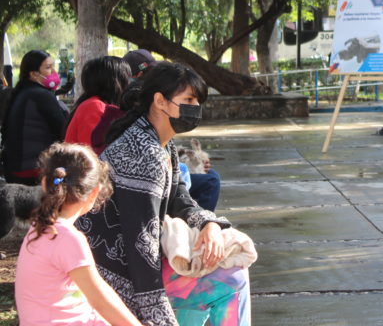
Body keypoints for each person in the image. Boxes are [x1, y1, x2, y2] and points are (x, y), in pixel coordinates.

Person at [77, 62, 250, 325]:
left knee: (223, 268)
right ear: (159, 101)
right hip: (110, 275)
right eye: (188, 99)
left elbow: (180, 195)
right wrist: (158, 317)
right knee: (231, 278)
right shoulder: (144, 152)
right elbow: (141, 245)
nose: (196, 107)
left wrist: (208, 223)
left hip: (124, 265)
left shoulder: (159, 142)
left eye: (198, 100)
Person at [15, 142, 142, 325]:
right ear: (95, 192)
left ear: (44, 183)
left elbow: (100, 291)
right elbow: (101, 301)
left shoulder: (40, 227)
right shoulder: (67, 238)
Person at [1, 50, 68, 185]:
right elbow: (63, 130)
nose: (54, 72)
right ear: (33, 74)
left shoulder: (23, 92)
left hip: (14, 169)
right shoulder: (41, 95)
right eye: (48, 68)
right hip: (33, 172)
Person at [65, 56, 132, 154]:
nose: (130, 83)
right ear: (115, 82)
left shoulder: (94, 104)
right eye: (128, 77)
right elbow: (95, 152)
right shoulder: (94, 106)